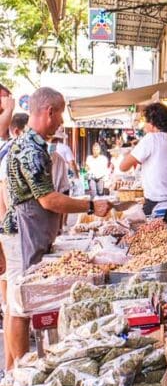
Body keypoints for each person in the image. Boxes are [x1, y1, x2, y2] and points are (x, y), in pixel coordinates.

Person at [2, 88, 110, 363]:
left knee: (22, 302)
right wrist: (90, 206)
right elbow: (48, 200)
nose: (62, 121)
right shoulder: (30, 148)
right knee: (19, 305)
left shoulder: (30, 144)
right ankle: (20, 370)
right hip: (22, 233)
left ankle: (20, 365)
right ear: (49, 111)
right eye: (60, 113)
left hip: (30, 231)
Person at [119, 102, 167, 216]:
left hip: (157, 206)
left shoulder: (151, 139)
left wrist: (131, 151)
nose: (145, 126)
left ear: (152, 123)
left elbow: (123, 166)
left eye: (146, 121)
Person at [0, 112, 27, 370]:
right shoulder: (11, 156)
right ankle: (13, 369)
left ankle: (11, 369)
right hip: (13, 235)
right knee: (15, 306)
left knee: (12, 305)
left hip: (10, 234)